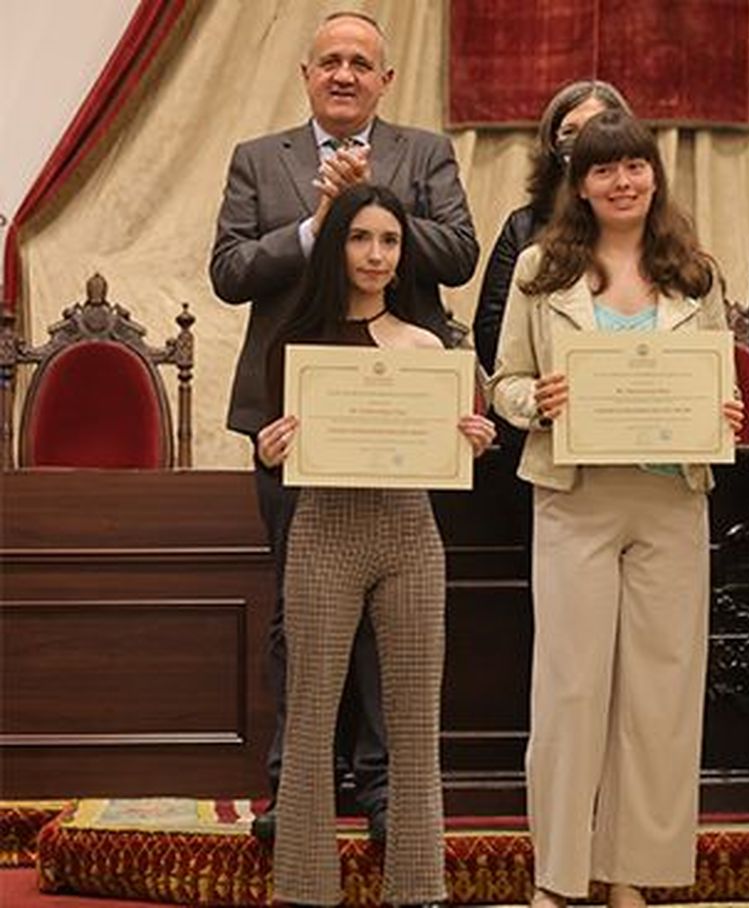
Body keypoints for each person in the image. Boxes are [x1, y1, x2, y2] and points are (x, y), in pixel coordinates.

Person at [208, 9, 478, 843]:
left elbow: (461, 254)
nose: (346, 74)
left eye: (362, 62)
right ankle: (298, 790)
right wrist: (312, 229)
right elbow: (229, 272)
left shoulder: (423, 152)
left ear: (385, 82)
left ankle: (387, 792)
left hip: (395, 414)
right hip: (289, 419)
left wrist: (371, 213)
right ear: (306, 73)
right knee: (301, 612)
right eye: (331, 60)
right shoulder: (260, 160)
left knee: (388, 622)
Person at [488, 110, 743, 908]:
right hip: (576, 499)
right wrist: (542, 398)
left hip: (671, 498)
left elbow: (721, 384)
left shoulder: (695, 273)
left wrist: (726, 410)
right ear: (581, 183)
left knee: (660, 696)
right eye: (604, 169)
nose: (623, 181)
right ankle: (557, 877)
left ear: (654, 176)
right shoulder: (539, 269)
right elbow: (502, 386)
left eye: (635, 166)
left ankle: (633, 872)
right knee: (568, 691)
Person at [254, 183, 495, 906]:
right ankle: (303, 890)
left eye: (389, 241)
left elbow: (452, 441)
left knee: (417, 724)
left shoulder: (428, 347)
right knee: (311, 718)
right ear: (338, 246)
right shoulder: (296, 348)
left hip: (410, 536)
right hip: (325, 532)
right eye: (361, 238)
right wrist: (270, 451)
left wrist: (474, 441)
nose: (376, 254)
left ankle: (419, 889)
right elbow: (278, 448)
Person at [473, 80, 632, 374]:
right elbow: (491, 334)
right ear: (552, 145)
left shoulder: (651, 232)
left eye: (594, 128)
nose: (583, 143)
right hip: (546, 400)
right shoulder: (523, 228)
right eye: (570, 132)